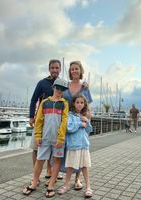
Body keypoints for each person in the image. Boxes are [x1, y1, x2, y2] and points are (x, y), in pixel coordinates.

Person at [23, 78, 69, 198]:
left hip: (58, 140)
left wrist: (61, 138)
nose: (60, 91)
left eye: (62, 89)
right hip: (45, 138)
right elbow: (38, 121)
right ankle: (34, 183)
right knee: (40, 160)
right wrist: (38, 135)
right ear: (53, 87)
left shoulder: (64, 104)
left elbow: (64, 122)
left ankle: (51, 185)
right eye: (58, 88)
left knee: (56, 160)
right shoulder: (44, 102)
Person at [29, 59, 63, 181]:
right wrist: (31, 116)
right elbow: (33, 100)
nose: (55, 70)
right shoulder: (42, 83)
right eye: (52, 68)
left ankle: (51, 171)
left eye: (57, 68)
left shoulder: (62, 83)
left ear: (60, 69)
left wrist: (85, 85)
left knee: (53, 147)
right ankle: (35, 176)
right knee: (35, 148)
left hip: (55, 121)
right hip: (41, 120)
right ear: (49, 69)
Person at [62, 61, 93, 190]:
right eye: (72, 69)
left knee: (80, 153)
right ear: (70, 71)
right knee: (68, 151)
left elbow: (88, 105)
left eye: (77, 69)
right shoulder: (65, 86)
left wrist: (87, 120)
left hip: (82, 120)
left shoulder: (85, 87)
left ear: (80, 71)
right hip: (68, 119)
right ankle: (60, 178)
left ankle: (77, 179)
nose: (74, 71)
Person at [57, 94, 93, 198]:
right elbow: (69, 128)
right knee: (70, 166)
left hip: (84, 146)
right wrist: (80, 124)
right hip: (73, 145)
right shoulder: (70, 115)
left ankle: (88, 187)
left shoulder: (85, 116)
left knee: (85, 166)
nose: (79, 104)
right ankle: (66, 185)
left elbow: (88, 130)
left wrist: (87, 122)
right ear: (73, 103)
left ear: (84, 104)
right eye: (77, 102)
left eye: (82, 102)